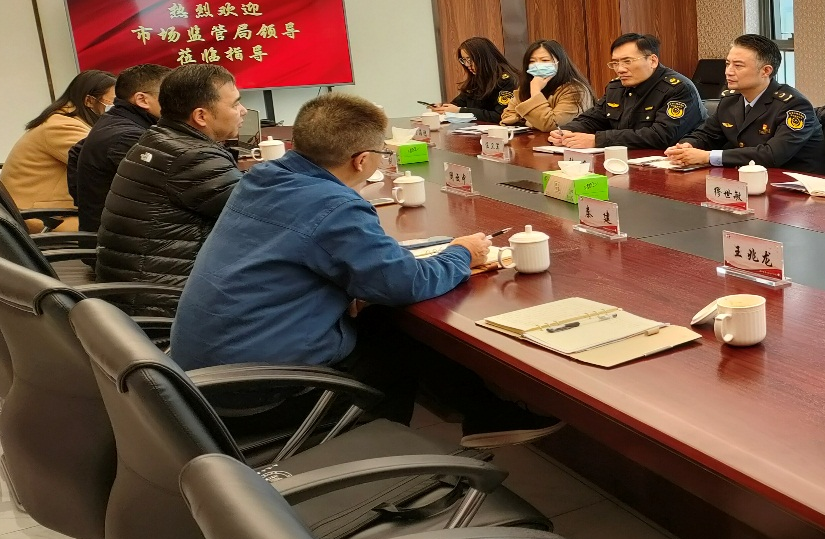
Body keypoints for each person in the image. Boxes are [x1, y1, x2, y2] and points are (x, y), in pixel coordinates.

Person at [169, 93, 561, 447]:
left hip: (203, 377)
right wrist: (461, 253)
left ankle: (483, 415)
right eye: (381, 151)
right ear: (362, 160)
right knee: (400, 333)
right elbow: (406, 283)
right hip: (259, 394)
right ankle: (382, 455)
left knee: (381, 319)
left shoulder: (263, 177)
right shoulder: (333, 206)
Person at [97, 64, 246, 290]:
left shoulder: (160, 139)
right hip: (165, 295)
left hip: (139, 282)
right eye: (235, 104)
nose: (243, 111)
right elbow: (260, 213)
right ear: (201, 116)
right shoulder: (192, 157)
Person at [665, 34, 825, 173]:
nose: (728, 71)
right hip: (747, 179)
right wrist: (686, 146)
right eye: (727, 64)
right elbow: (707, 135)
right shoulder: (730, 99)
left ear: (766, 71)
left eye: (738, 66)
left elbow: (771, 155)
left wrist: (708, 156)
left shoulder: (794, 106)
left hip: (793, 186)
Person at [0, 69, 115, 231]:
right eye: (113, 103)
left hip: (50, 212)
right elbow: (104, 165)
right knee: (128, 230)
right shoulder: (61, 126)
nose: (117, 108)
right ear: (89, 101)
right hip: (43, 216)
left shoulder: (65, 121)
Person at [549, 33, 706, 149]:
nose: (620, 69)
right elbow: (594, 119)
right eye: (615, 63)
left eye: (627, 61)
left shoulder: (678, 88)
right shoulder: (616, 87)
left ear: (652, 60)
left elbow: (661, 136)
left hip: (669, 165)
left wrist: (598, 140)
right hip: (625, 161)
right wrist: (567, 131)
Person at [70, 64, 170, 232]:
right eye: (170, 96)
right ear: (142, 100)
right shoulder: (127, 137)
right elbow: (169, 191)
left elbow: (75, 151)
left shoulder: (118, 121)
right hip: (123, 239)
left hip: (122, 230)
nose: (179, 103)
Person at [498, 39, 595, 132]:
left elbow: (552, 125)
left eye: (544, 60)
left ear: (560, 62)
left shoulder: (575, 90)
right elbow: (507, 118)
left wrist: (535, 92)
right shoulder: (527, 86)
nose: (538, 65)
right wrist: (534, 122)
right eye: (532, 61)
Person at [431, 36, 520, 124]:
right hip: (477, 129)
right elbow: (458, 103)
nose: (467, 65)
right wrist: (443, 107)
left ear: (484, 58)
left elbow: (501, 116)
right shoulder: (476, 79)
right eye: (464, 60)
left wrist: (460, 111)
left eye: (470, 59)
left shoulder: (507, 80)